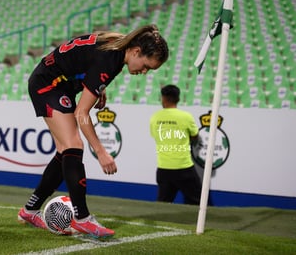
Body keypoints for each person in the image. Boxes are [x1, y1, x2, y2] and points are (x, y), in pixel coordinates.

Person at [18, 24, 169, 238]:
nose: (143, 72)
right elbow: (82, 113)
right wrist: (100, 151)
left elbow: (86, 60)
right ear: (136, 51)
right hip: (48, 84)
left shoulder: (115, 47)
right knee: (73, 145)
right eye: (146, 66)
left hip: (60, 83)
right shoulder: (111, 59)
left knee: (65, 150)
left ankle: (30, 210)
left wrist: (98, 87)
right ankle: (82, 218)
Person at [149, 84, 202, 205]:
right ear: (178, 98)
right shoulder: (186, 117)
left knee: (163, 205)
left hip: (164, 169)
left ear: (163, 98)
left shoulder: (155, 117)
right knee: (198, 203)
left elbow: (155, 136)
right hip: (184, 168)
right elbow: (195, 136)